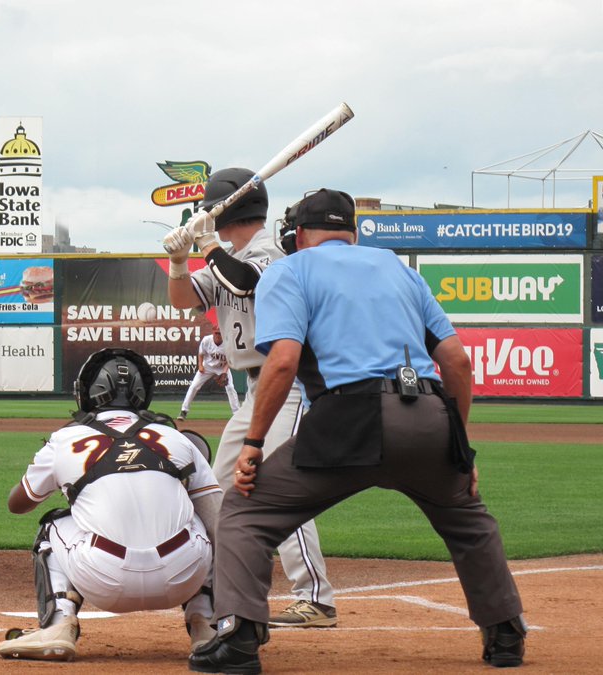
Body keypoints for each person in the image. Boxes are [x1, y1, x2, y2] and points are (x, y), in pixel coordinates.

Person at [189, 189, 526, 673]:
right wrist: (460, 448)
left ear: (299, 235)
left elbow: (282, 362)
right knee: (468, 522)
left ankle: (240, 638)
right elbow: (456, 361)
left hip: (349, 420)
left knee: (245, 508)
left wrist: (254, 444)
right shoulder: (397, 269)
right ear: (353, 232)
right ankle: (507, 636)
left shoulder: (291, 268)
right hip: (428, 414)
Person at [163, 167, 336, 628]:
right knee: (218, 489)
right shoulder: (227, 254)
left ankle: (315, 598)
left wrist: (204, 246)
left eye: (209, 208)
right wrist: (180, 262)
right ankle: (221, 586)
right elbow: (184, 300)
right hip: (256, 388)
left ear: (226, 209)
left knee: (277, 485)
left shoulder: (271, 254)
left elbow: (243, 282)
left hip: (290, 382)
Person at [0, 348, 223, 661]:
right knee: (205, 518)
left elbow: (18, 504)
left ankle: (58, 624)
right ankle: (207, 625)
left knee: (52, 525)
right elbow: (221, 523)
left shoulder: (66, 438)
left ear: (88, 393)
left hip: (104, 580)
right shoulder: (175, 437)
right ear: (142, 395)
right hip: (184, 574)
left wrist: (72, 483)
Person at [179, 329, 241, 419]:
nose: (218, 335)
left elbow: (229, 361)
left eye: (220, 333)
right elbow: (201, 353)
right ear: (213, 332)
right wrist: (200, 365)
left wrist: (224, 373)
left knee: (230, 387)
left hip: (222, 367)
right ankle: (184, 411)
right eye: (216, 333)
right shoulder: (207, 340)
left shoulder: (229, 344)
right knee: (194, 386)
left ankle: (236, 414)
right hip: (207, 367)